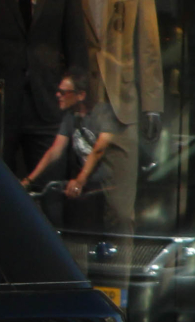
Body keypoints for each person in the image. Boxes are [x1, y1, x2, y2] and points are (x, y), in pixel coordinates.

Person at [18, 69, 121, 230]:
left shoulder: (103, 113)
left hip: (109, 185)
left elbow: (99, 149)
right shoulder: (70, 118)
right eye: (58, 91)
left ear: (81, 95)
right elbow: (54, 151)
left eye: (63, 92)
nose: (58, 95)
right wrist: (28, 181)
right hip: (89, 187)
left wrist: (80, 180)